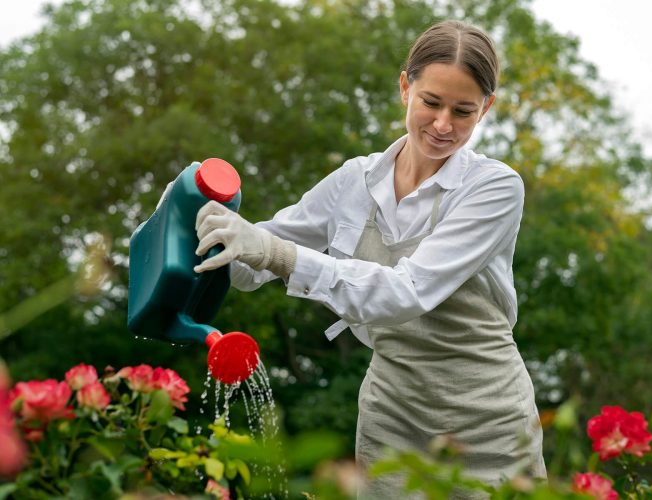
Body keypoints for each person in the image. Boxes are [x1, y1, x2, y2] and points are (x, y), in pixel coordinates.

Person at [192, 19, 547, 497]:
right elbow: (249, 264)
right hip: (393, 415)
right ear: (406, 87)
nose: (443, 125)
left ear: (486, 109)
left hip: (487, 422)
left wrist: (274, 252)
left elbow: (407, 292)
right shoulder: (353, 181)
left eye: (463, 111)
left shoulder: (493, 188)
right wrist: (202, 227)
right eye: (431, 102)